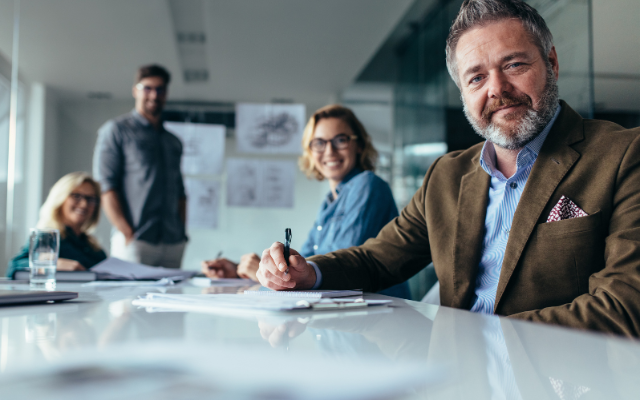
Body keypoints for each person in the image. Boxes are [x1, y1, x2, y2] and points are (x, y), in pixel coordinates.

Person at [256, 0, 640, 337]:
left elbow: (625, 306)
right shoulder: (446, 175)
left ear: (551, 62)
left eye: (514, 64)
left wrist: (472, 341)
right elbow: (377, 259)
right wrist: (308, 273)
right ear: (463, 93)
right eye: (476, 77)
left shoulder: (623, 154)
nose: (497, 88)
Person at [202, 105, 411, 299]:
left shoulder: (367, 185)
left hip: (380, 319)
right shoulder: (330, 201)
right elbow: (306, 263)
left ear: (358, 145)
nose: (329, 151)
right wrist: (247, 270)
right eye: (319, 143)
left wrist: (271, 274)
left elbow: (339, 270)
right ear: (310, 151)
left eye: (341, 140)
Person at [93, 64, 188, 269]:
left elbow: (180, 191)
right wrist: (127, 232)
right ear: (135, 90)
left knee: (172, 301)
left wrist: (182, 232)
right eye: (147, 88)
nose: (154, 95)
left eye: (160, 89)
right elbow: (106, 186)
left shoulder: (174, 141)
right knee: (129, 301)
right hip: (136, 241)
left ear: (166, 93)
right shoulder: (116, 130)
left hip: (173, 242)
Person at [7, 172, 107, 278]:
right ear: (60, 197)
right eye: (76, 196)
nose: (84, 204)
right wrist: (52, 263)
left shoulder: (93, 247)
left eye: (91, 199)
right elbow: (14, 266)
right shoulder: (47, 237)